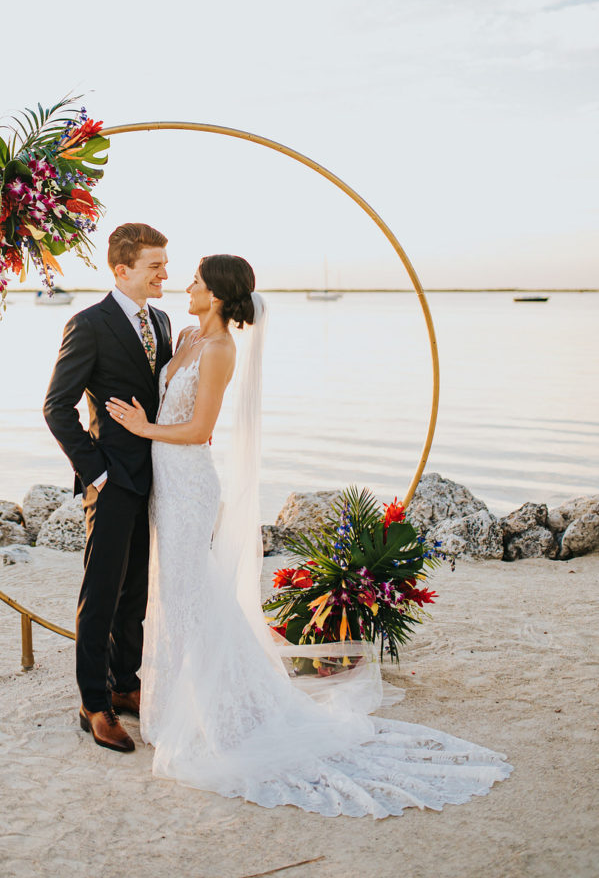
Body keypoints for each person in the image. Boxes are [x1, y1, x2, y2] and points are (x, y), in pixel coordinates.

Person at [106, 254, 512, 818]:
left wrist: (142, 427)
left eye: (197, 280)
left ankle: (214, 715)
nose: (187, 285)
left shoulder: (221, 350)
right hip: (164, 483)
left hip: (189, 482)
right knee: (176, 594)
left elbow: (200, 429)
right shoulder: (188, 337)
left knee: (187, 594)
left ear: (219, 293)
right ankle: (182, 705)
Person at [43, 222, 172, 753]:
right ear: (122, 269)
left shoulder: (162, 320)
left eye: (165, 264)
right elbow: (57, 406)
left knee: (135, 591)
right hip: (111, 478)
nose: (166, 273)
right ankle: (92, 703)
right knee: (100, 594)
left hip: (157, 477)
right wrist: (95, 471)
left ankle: (125, 685)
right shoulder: (89, 324)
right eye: (155, 266)